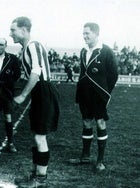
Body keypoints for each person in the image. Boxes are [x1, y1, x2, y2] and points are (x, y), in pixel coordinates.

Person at [9, 17, 59, 188]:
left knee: (40, 137)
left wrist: (22, 96)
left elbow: (36, 73)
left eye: (13, 30)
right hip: (39, 93)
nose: (11, 34)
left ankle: (41, 179)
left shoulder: (33, 45)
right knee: (36, 136)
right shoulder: (25, 48)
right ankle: (35, 174)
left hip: (44, 92)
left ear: (23, 30)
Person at [69, 22, 118, 173]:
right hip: (85, 94)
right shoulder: (83, 51)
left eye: (87, 34)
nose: (84, 36)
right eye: (83, 34)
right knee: (86, 122)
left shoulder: (106, 51)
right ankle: (85, 156)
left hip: (99, 95)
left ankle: (100, 161)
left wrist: (104, 92)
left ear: (96, 34)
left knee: (100, 123)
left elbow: (113, 74)